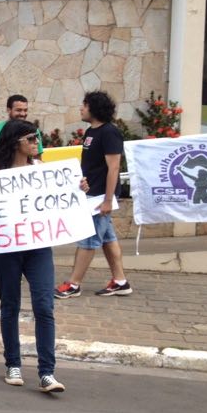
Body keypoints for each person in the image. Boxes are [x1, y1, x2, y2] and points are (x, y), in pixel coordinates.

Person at [0, 119, 66, 393]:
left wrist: (78, 188)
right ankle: (12, 363)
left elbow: (59, 198)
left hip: (37, 247)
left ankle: (47, 372)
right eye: (32, 138)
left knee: (44, 306)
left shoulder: (40, 170)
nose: (37, 142)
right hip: (7, 248)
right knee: (10, 305)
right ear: (17, 143)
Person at [55, 91, 132, 299]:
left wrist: (108, 200)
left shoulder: (109, 133)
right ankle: (120, 281)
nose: (81, 108)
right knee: (108, 238)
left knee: (88, 240)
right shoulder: (91, 131)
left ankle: (73, 284)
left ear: (94, 108)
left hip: (100, 199)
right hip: (92, 195)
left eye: (85, 104)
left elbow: (114, 168)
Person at [0, 94, 43, 280]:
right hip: (3, 193)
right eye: (19, 110)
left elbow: (38, 158)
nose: (22, 113)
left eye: (25, 110)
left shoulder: (31, 132)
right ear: (9, 110)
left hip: (26, 197)